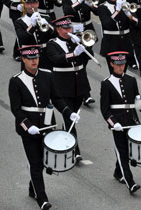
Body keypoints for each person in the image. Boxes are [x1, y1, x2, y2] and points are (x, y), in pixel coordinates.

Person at [8, 45, 80, 210]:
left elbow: (56, 99)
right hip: (29, 127)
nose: (34, 61)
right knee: (35, 162)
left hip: (47, 125)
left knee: (42, 160)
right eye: (30, 59)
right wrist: (27, 126)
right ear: (24, 60)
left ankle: (33, 188)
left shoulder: (47, 76)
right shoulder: (16, 81)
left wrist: (69, 113)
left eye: (36, 58)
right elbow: (16, 109)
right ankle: (42, 198)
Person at [100, 51, 141, 194]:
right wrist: (114, 124)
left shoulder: (131, 80)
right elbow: (105, 110)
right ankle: (130, 182)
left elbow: (137, 102)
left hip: (132, 122)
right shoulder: (106, 84)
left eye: (123, 64)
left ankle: (118, 172)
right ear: (112, 64)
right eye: (118, 65)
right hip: (118, 125)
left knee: (128, 151)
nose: (121, 67)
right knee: (122, 152)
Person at [47, 15, 93, 162]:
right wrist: (73, 54)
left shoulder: (75, 41)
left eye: (70, 27)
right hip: (62, 87)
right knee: (69, 117)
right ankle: (75, 151)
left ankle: (65, 136)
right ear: (58, 29)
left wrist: (85, 46)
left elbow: (88, 58)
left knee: (70, 117)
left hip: (79, 85)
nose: (69, 30)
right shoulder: (52, 44)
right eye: (66, 28)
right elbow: (56, 59)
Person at [62, 0, 98, 105]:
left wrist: (91, 4)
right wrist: (79, 2)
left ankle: (79, 91)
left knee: (83, 64)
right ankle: (86, 95)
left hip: (88, 34)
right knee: (79, 64)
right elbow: (67, 11)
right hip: (74, 33)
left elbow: (97, 12)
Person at [97, 0, 138, 73]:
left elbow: (137, 22)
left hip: (125, 43)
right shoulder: (103, 7)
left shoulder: (125, 5)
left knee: (123, 73)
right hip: (111, 44)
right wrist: (117, 11)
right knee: (114, 73)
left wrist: (129, 14)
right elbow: (107, 24)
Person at [15, 0, 55, 70]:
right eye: (29, 3)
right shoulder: (19, 22)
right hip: (29, 56)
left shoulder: (46, 18)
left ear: (38, 4)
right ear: (25, 5)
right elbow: (22, 39)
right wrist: (32, 25)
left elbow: (55, 35)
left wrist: (48, 25)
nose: (32, 5)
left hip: (45, 56)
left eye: (34, 3)